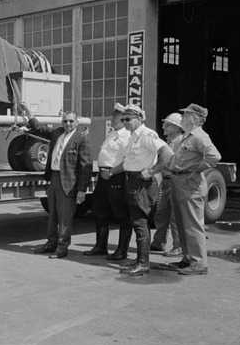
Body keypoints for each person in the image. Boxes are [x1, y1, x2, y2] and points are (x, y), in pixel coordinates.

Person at [107, 105, 174, 276]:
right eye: (123, 119)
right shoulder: (133, 137)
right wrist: (112, 172)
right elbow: (128, 162)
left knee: (140, 222)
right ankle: (140, 260)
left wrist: (152, 170)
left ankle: (143, 263)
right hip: (131, 180)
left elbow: (167, 152)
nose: (125, 122)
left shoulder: (147, 135)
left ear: (139, 119)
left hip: (141, 183)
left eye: (128, 119)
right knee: (135, 221)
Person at [22, 107, 92, 259]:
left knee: (65, 217)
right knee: (52, 214)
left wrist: (81, 190)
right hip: (53, 178)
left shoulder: (81, 139)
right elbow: (40, 128)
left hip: (68, 182)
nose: (68, 124)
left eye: (71, 121)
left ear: (77, 122)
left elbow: (85, 166)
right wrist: (28, 114)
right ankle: (50, 244)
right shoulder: (57, 133)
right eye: (65, 121)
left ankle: (62, 248)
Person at [164, 103, 222, 276]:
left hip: (189, 183)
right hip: (180, 181)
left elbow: (214, 156)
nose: (182, 116)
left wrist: (197, 170)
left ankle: (198, 263)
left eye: (186, 114)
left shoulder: (199, 136)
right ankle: (188, 258)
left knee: (192, 224)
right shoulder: (188, 136)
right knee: (182, 223)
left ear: (194, 119)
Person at [83, 103, 133, 260]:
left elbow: (128, 160)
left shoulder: (126, 136)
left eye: (115, 116)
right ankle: (100, 246)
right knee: (99, 211)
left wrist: (111, 172)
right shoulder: (113, 134)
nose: (112, 118)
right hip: (103, 176)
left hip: (114, 177)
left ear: (123, 118)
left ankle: (122, 250)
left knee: (122, 215)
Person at [150, 113, 185, 256]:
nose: (164, 127)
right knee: (161, 213)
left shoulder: (182, 143)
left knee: (175, 217)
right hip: (165, 182)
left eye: (168, 125)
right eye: (165, 124)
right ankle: (159, 242)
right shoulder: (169, 143)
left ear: (177, 127)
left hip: (175, 182)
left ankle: (178, 246)